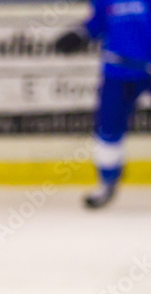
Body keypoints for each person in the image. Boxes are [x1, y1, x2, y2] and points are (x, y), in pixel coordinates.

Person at [55, 0, 151, 208]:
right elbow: (98, 22)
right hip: (117, 73)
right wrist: (80, 34)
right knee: (107, 128)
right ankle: (107, 182)